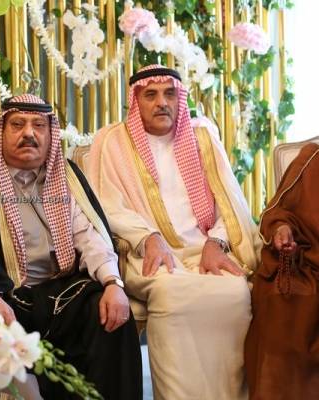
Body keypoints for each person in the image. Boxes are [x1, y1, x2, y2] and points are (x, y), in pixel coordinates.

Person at [0, 94, 142, 399]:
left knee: (111, 314)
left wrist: (112, 283)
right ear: (2, 131)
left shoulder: (66, 176)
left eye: (38, 125)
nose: (29, 133)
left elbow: (89, 235)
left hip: (61, 291)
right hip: (6, 294)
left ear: (50, 133)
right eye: (18, 125)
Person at [87, 65, 261, 400]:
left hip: (205, 249)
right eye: (150, 95)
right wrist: (148, 237)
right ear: (135, 100)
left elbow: (229, 200)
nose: (161, 102)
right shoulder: (113, 141)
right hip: (144, 253)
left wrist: (217, 242)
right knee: (172, 290)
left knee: (235, 290)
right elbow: (104, 203)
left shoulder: (201, 137)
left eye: (169, 94)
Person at [245, 143, 319, 400]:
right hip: (309, 264)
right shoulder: (311, 159)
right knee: (284, 305)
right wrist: (281, 229)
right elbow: (278, 212)